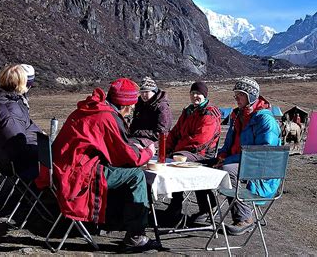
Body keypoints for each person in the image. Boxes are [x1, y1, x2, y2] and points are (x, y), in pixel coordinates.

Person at [44, 78, 159, 252]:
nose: (132, 109)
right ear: (125, 104)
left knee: (122, 171)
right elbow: (127, 157)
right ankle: (135, 236)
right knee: (136, 175)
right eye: (132, 105)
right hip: (78, 176)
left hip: (64, 168)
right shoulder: (106, 117)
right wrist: (148, 151)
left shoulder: (91, 109)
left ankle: (113, 220)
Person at [215, 77, 281, 236]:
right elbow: (229, 144)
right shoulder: (237, 116)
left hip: (262, 168)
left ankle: (245, 219)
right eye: (236, 94)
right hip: (239, 161)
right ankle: (206, 211)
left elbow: (263, 154)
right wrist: (221, 156)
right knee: (206, 165)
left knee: (227, 171)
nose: (236, 98)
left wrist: (227, 161)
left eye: (241, 94)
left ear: (251, 96)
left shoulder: (265, 119)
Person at [163, 81, 221, 225]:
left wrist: (176, 151)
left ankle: (176, 205)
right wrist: (166, 148)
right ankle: (177, 205)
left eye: (199, 94)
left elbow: (200, 141)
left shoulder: (209, 114)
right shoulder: (189, 111)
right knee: (169, 159)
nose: (195, 96)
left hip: (202, 154)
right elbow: (175, 133)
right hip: (186, 151)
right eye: (193, 93)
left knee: (176, 161)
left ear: (205, 96)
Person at [129, 77, 172, 147]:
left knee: (131, 145)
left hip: (156, 141)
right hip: (139, 137)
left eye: (146, 92)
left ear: (154, 92)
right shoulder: (140, 104)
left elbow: (161, 133)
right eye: (142, 92)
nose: (143, 95)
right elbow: (135, 123)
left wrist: (137, 132)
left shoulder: (162, 107)